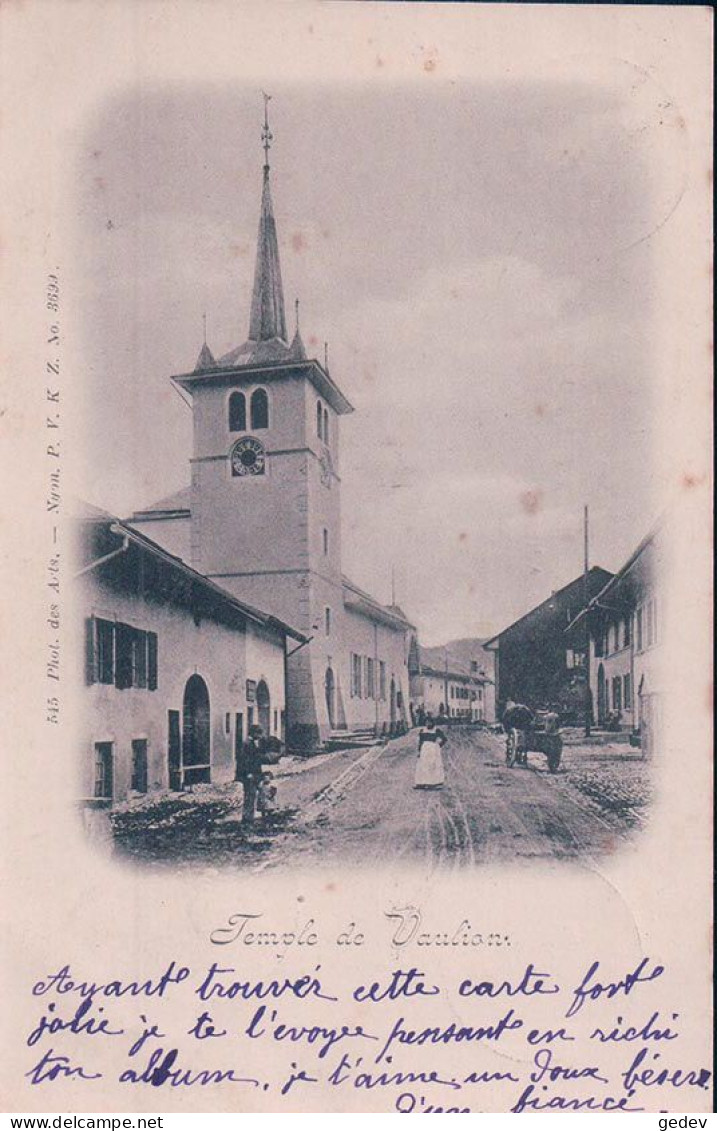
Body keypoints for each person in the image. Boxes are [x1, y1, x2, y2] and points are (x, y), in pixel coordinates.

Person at [238, 724, 266, 825]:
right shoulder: (247, 744)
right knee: (250, 795)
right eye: (258, 734)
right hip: (249, 775)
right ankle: (247, 818)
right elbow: (244, 760)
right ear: (254, 733)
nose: (260, 736)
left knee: (253, 794)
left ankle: (250, 817)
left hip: (255, 774)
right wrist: (247, 773)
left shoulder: (253, 743)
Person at [414, 715, 447, 790]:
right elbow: (420, 741)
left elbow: (444, 739)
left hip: (433, 750)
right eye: (426, 722)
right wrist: (419, 751)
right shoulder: (422, 731)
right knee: (422, 766)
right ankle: (421, 783)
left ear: (432, 723)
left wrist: (438, 746)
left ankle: (432, 783)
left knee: (432, 765)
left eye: (429, 722)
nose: (428, 724)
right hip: (424, 749)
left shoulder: (436, 730)